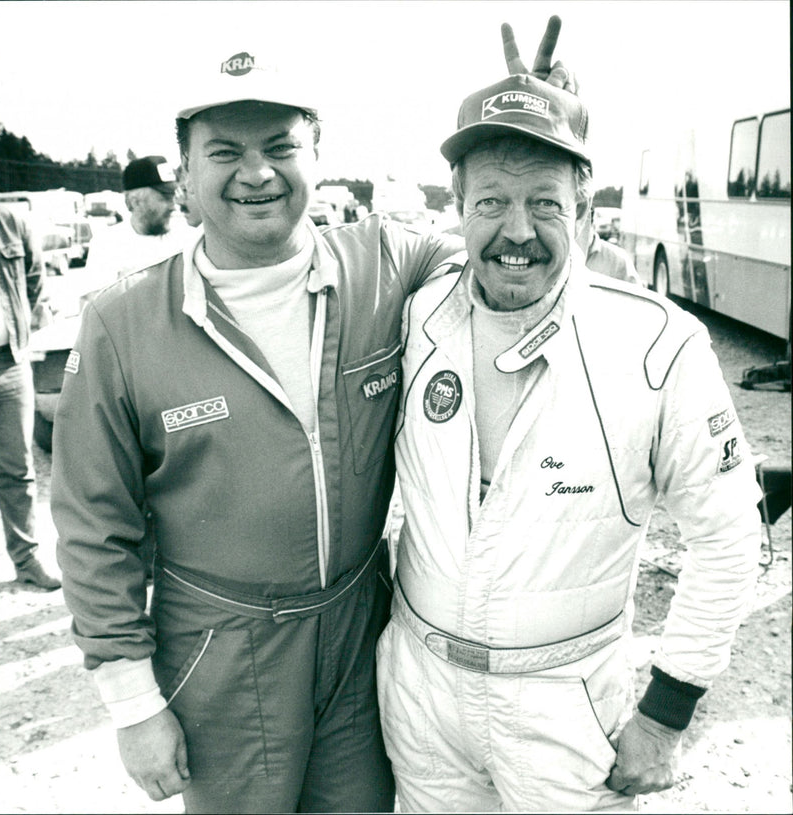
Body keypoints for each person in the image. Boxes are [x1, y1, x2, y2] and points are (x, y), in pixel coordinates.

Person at [51, 21, 569, 814]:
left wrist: (540, 129)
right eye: (224, 151)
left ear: (317, 155)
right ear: (184, 172)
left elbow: (516, 263)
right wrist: (132, 704)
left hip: (362, 635)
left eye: (281, 146)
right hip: (219, 649)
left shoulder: (389, 263)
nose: (256, 172)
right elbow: (95, 527)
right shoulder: (122, 325)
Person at [376, 39, 762, 813]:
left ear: (586, 211)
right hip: (420, 698)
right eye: (491, 201)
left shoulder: (656, 342)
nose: (516, 229)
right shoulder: (417, 316)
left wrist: (666, 713)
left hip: (565, 709)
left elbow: (730, 536)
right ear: (457, 207)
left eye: (545, 202)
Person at [0, 203, 61, 591]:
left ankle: (27, 560)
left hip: (8, 363)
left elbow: (34, 281)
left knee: (17, 470)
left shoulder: (11, 222)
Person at [83, 155, 193, 285]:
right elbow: (94, 301)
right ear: (135, 202)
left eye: (173, 197)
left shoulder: (188, 238)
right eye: (165, 198)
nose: (173, 205)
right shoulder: (108, 244)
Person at [579, 206, 642, 285]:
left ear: (593, 226)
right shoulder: (563, 258)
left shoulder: (619, 261)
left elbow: (634, 294)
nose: (575, 234)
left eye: (581, 227)